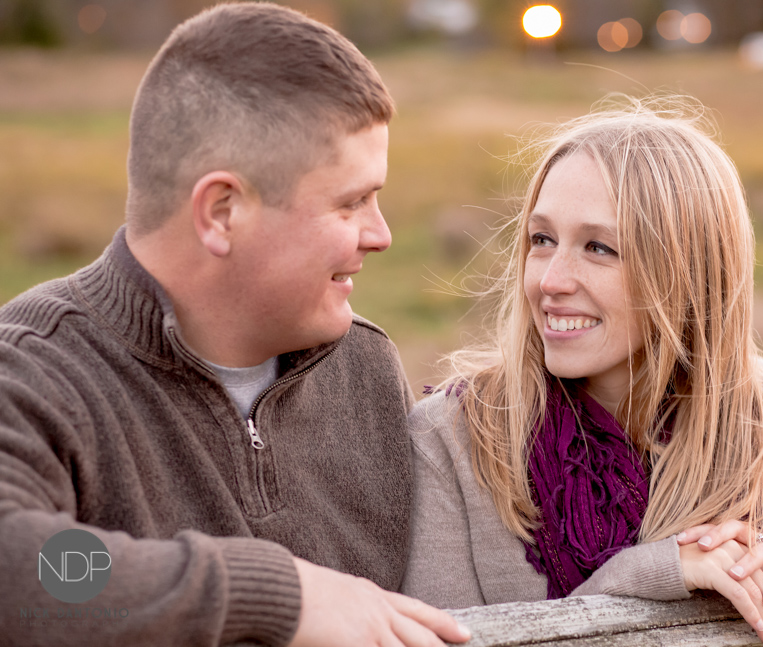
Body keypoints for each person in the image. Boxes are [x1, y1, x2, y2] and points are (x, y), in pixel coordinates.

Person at [401, 97, 763, 644]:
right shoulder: (452, 438)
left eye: (599, 248)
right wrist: (652, 572)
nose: (550, 280)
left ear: (688, 271)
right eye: (542, 239)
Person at [0, 4, 470, 646]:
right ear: (222, 212)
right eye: (351, 202)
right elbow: (18, 569)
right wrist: (277, 595)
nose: (381, 234)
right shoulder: (31, 371)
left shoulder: (365, 366)